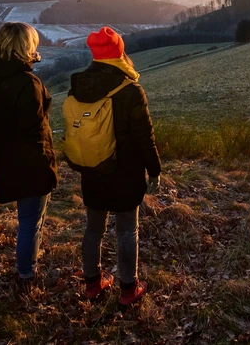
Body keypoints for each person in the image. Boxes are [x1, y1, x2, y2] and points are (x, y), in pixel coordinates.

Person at [66, 26, 161, 309]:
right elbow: (146, 136)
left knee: (93, 229)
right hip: (125, 172)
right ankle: (128, 289)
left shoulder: (78, 85)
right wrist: (154, 169)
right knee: (126, 231)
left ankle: (93, 284)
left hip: (92, 168)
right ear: (119, 52)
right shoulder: (131, 90)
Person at [0, 22, 59, 290]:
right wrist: (46, 165)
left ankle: (29, 259)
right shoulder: (27, 81)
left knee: (27, 219)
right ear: (27, 46)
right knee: (30, 221)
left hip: (4, 157)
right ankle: (27, 273)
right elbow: (34, 130)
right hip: (31, 161)